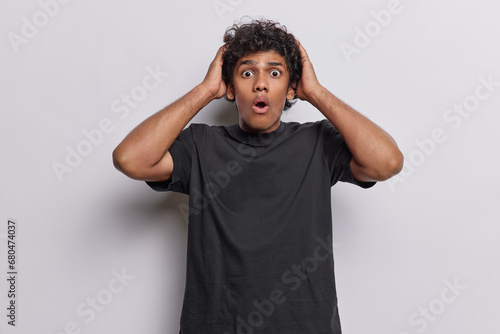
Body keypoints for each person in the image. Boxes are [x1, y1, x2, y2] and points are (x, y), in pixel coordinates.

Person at [113, 18, 403, 334]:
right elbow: (130, 159)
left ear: (292, 87)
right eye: (247, 73)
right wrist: (204, 90)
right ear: (230, 87)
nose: (260, 83)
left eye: (275, 73)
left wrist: (316, 92)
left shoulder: (318, 142)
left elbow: (386, 163)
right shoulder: (200, 145)